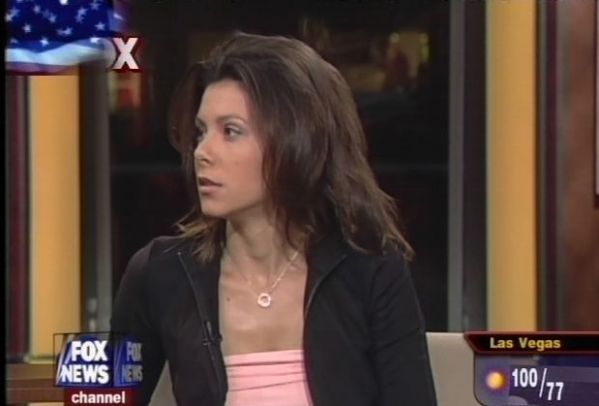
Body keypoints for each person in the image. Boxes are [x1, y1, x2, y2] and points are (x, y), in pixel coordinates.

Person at [111, 32, 437, 406]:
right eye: (201, 132)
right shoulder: (159, 273)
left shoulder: (370, 270)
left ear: (296, 143)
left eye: (231, 131)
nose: (202, 151)